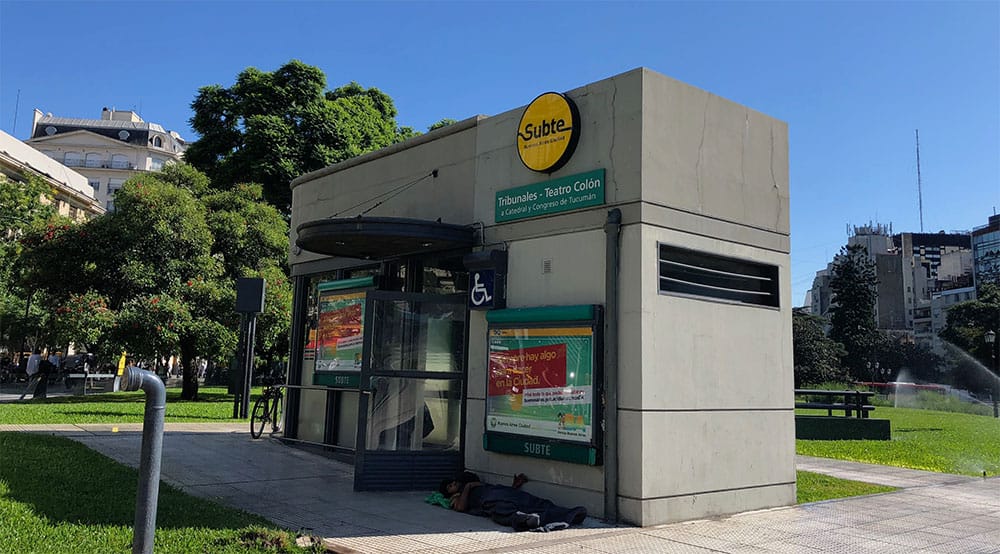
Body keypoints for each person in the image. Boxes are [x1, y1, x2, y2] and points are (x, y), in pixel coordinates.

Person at [440, 472, 587, 531]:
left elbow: (461, 508)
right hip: (491, 497)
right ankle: (528, 520)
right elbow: (460, 507)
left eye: (454, 483)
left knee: (531, 502)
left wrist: (514, 486)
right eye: (450, 486)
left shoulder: (469, 486)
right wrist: (467, 487)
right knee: (505, 510)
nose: (454, 485)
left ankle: (570, 512)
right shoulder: (457, 496)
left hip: (496, 494)